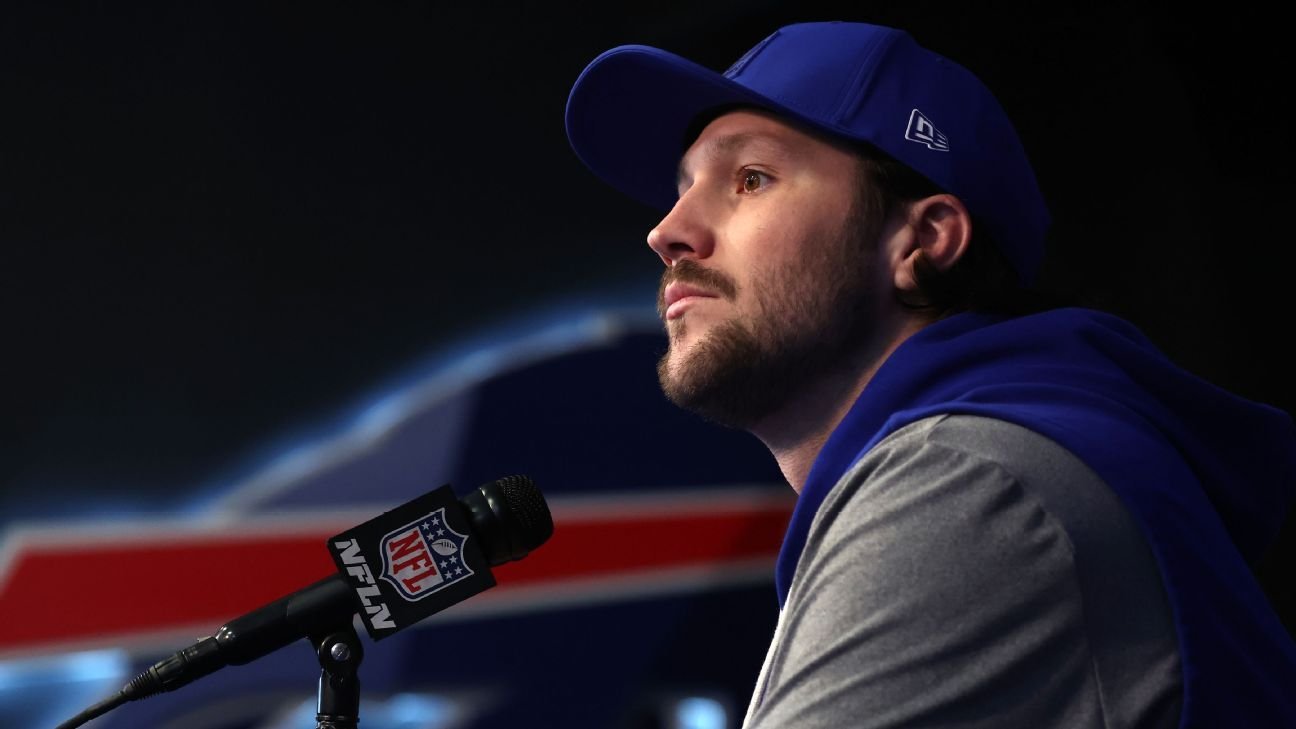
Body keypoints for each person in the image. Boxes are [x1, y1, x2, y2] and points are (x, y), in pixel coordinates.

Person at [565, 20, 1296, 729]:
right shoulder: (974, 465)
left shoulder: (969, 480)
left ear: (923, 240)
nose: (666, 232)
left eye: (750, 179)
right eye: (682, 188)